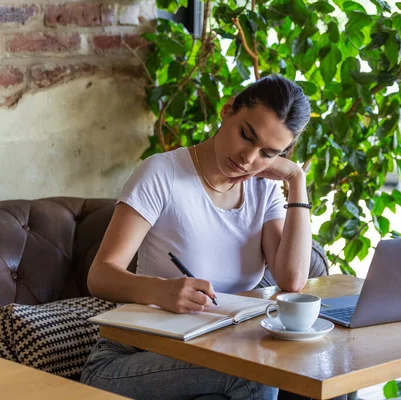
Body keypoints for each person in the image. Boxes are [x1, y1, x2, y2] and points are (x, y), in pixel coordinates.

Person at [81, 74, 313, 400]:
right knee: (257, 372)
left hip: (212, 351)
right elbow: (100, 274)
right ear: (227, 110)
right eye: (246, 135)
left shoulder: (264, 192)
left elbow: (292, 279)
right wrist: (162, 291)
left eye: (268, 153)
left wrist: (297, 181)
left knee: (305, 367)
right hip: (128, 358)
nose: (249, 158)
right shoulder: (162, 174)